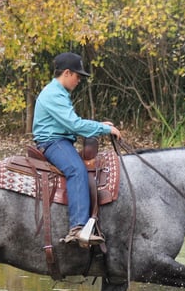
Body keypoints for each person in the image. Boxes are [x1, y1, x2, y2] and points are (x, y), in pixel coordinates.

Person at [32, 52, 121, 246]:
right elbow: (74, 125)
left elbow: (72, 123)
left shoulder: (58, 92)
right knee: (76, 170)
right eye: (77, 76)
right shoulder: (54, 94)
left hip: (59, 139)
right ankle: (78, 228)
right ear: (66, 73)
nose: (79, 80)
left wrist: (97, 124)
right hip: (53, 142)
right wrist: (104, 128)